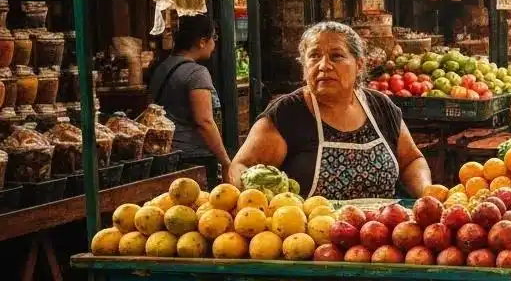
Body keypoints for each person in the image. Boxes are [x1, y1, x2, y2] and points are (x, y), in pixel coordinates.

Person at [230, 22, 433, 200]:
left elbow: (412, 161)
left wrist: (426, 193)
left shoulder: (381, 106)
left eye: (336, 56)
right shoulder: (288, 113)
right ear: (304, 66)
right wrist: (261, 204)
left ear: (359, 64)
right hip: (309, 236)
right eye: (314, 56)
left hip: (381, 235)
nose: (324, 65)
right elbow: (241, 167)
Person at [147, 13, 231, 185]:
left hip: (166, 155)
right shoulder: (196, 73)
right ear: (201, 41)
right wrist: (225, 161)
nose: (214, 44)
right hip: (193, 158)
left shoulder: (161, 67)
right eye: (213, 37)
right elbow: (204, 122)